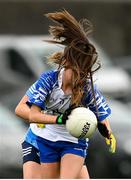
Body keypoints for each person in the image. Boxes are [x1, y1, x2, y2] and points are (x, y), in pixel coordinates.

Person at [16, 9, 116, 179]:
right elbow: (22, 110)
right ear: (67, 63)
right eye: (79, 70)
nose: (82, 75)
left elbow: (101, 114)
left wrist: (108, 132)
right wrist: (55, 118)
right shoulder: (48, 81)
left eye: (85, 71)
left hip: (70, 140)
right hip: (40, 139)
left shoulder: (86, 87)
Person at [15, 94, 89, 179]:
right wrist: (41, 118)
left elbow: (100, 112)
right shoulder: (47, 83)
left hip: (70, 144)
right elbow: (20, 109)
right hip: (38, 141)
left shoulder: (87, 88)